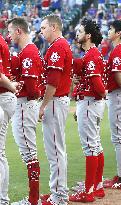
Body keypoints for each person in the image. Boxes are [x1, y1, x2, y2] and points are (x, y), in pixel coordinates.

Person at [69, 18, 106, 203]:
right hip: (91, 102)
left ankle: (88, 191)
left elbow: (98, 86)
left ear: (89, 35)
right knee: (96, 144)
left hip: (90, 102)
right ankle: (97, 187)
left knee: (90, 146)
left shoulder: (91, 55)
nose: (77, 34)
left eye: (81, 31)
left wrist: (101, 94)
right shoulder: (92, 54)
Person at [7, 17, 43, 205]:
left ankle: (33, 200)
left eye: (10, 31)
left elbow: (32, 89)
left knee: (29, 153)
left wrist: (15, 86)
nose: (9, 35)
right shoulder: (29, 51)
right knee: (29, 153)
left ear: (19, 31)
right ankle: (33, 199)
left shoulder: (28, 52)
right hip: (25, 106)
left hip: (24, 105)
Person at [39, 14, 73, 205]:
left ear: (54, 27)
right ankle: (58, 192)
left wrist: (42, 106)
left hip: (54, 102)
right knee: (57, 149)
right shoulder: (59, 46)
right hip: (58, 100)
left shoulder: (58, 47)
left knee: (55, 151)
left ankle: (59, 196)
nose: (41, 31)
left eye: (43, 28)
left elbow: (52, 82)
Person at [104, 20, 121, 190]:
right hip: (118, 95)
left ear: (118, 33)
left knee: (119, 138)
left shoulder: (119, 50)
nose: (108, 31)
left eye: (111, 28)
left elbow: (119, 78)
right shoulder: (119, 50)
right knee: (118, 137)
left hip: (118, 95)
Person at [0, 33, 20, 205]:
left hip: (3, 96)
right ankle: (3, 199)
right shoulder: (1, 40)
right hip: (6, 97)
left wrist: (11, 87)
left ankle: (2, 199)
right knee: (0, 153)